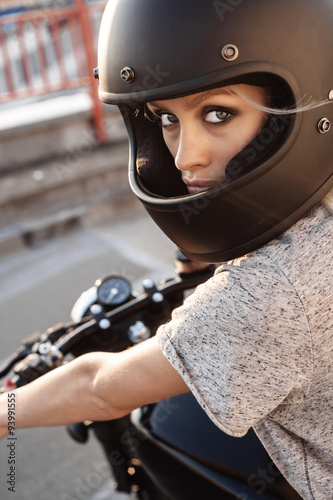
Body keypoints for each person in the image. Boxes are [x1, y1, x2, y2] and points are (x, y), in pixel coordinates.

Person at [1, 1, 333, 498]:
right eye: (165, 118)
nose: (183, 156)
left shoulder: (272, 292)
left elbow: (101, 388)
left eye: (219, 113)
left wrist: (5, 414)